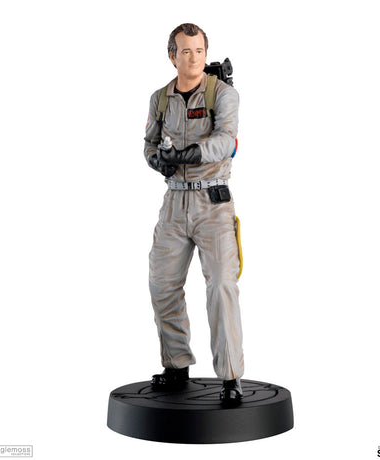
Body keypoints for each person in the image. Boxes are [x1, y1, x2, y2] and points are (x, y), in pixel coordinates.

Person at [144, 23, 244, 404]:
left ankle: (231, 377)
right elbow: (149, 143)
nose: (193, 58)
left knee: (221, 285)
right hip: (174, 203)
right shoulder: (160, 99)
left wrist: (192, 154)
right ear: (173, 56)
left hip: (212, 203)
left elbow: (227, 140)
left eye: (199, 51)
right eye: (185, 51)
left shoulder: (223, 94)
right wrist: (158, 161)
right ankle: (176, 365)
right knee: (162, 283)